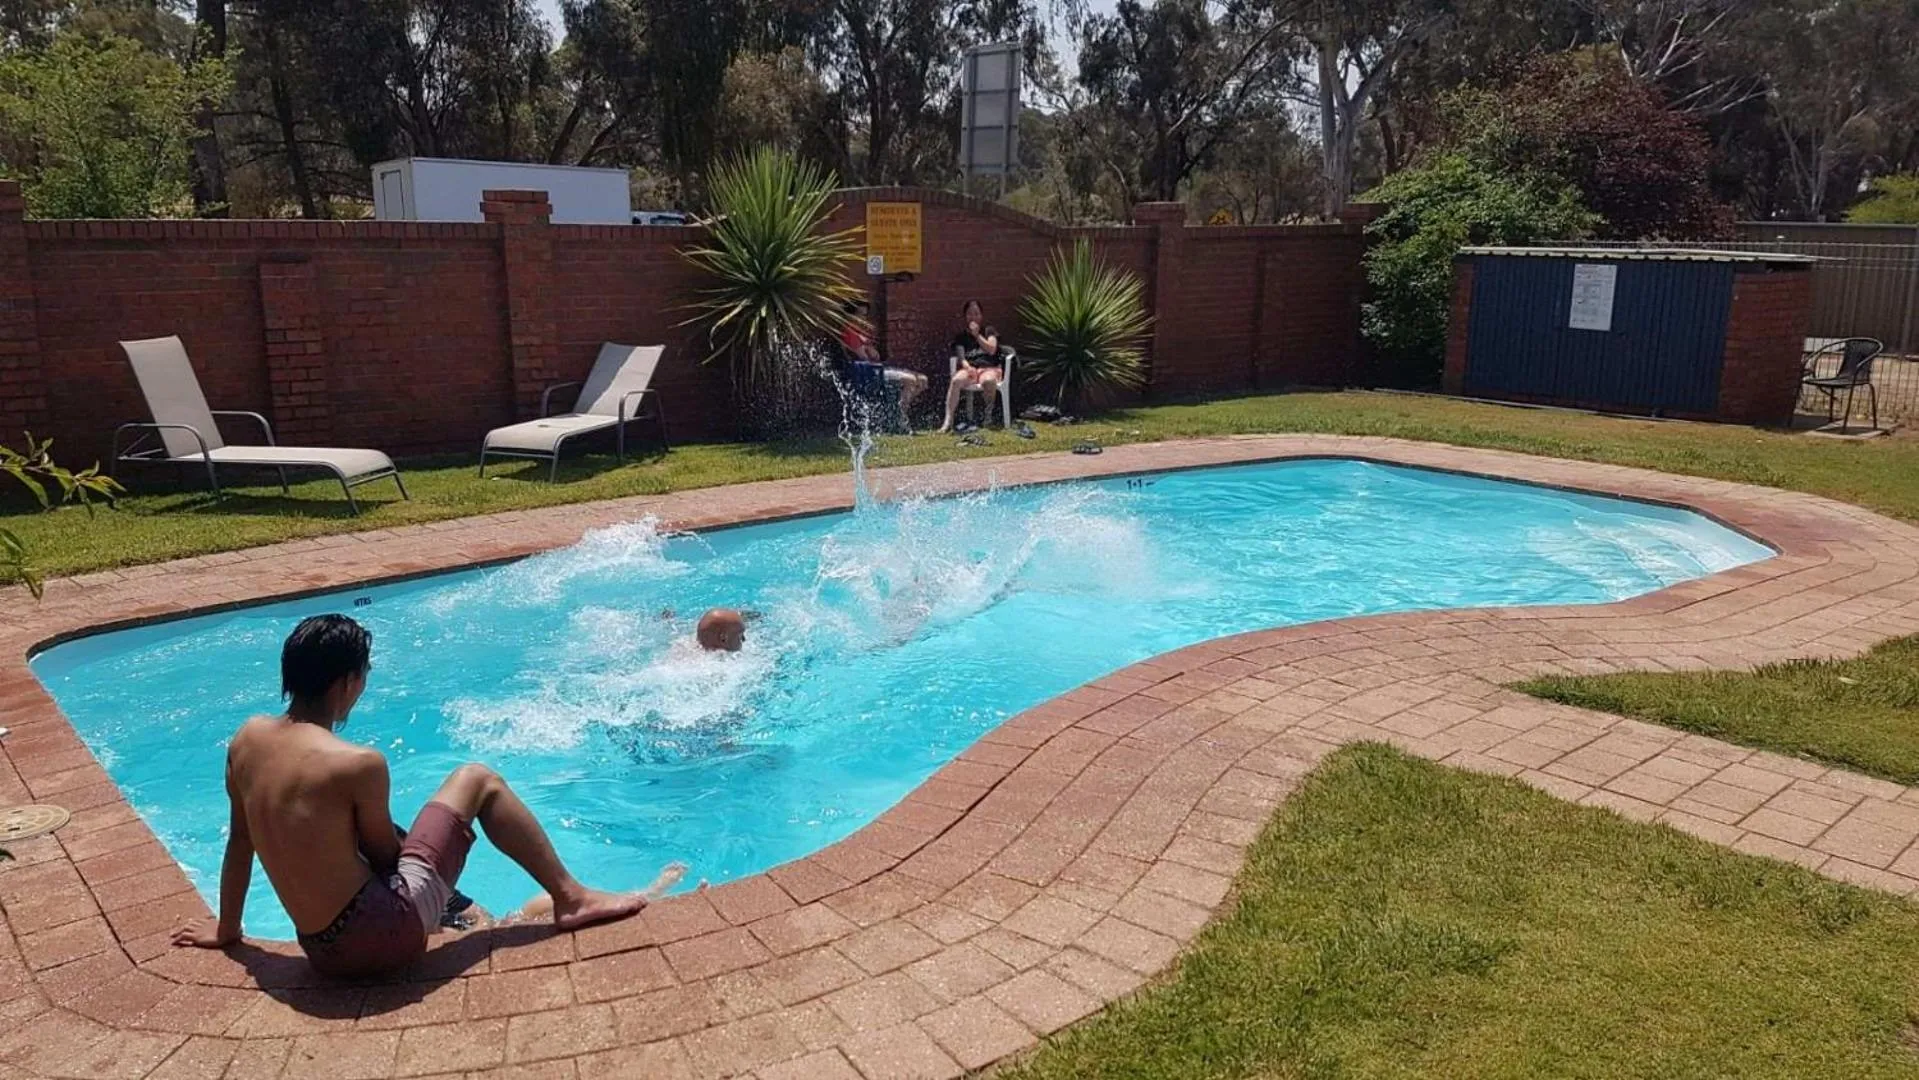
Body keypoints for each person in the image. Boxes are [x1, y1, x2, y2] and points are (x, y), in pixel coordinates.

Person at [173, 614, 662, 978]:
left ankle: (467, 917)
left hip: (321, 951)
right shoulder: (356, 762)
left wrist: (227, 931)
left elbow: (241, 842)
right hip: (383, 936)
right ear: (348, 683)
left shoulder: (246, 740)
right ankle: (571, 897)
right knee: (476, 778)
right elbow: (388, 857)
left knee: (413, 861)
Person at [837, 299, 927, 423]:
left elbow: (875, 355)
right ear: (850, 316)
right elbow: (865, 358)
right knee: (910, 380)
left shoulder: (860, 334)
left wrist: (869, 349)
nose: (864, 319)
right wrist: (869, 350)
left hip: (878, 369)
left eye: (865, 315)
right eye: (861, 315)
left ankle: (895, 413)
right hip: (868, 374)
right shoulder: (849, 334)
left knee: (922, 380)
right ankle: (898, 419)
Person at [939, 300, 1007, 433]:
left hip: (989, 368)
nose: (973, 317)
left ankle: (987, 417)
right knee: (956, 381)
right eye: (970, 314)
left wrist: (977, 336)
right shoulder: (961, 337)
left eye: (976, 313)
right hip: (970, 368)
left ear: (981, 316)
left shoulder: (989, 330)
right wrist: (967, 367)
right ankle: (948, 420)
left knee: (988, 381)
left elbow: (992, 349)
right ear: (965, 316)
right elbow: (961, 357)